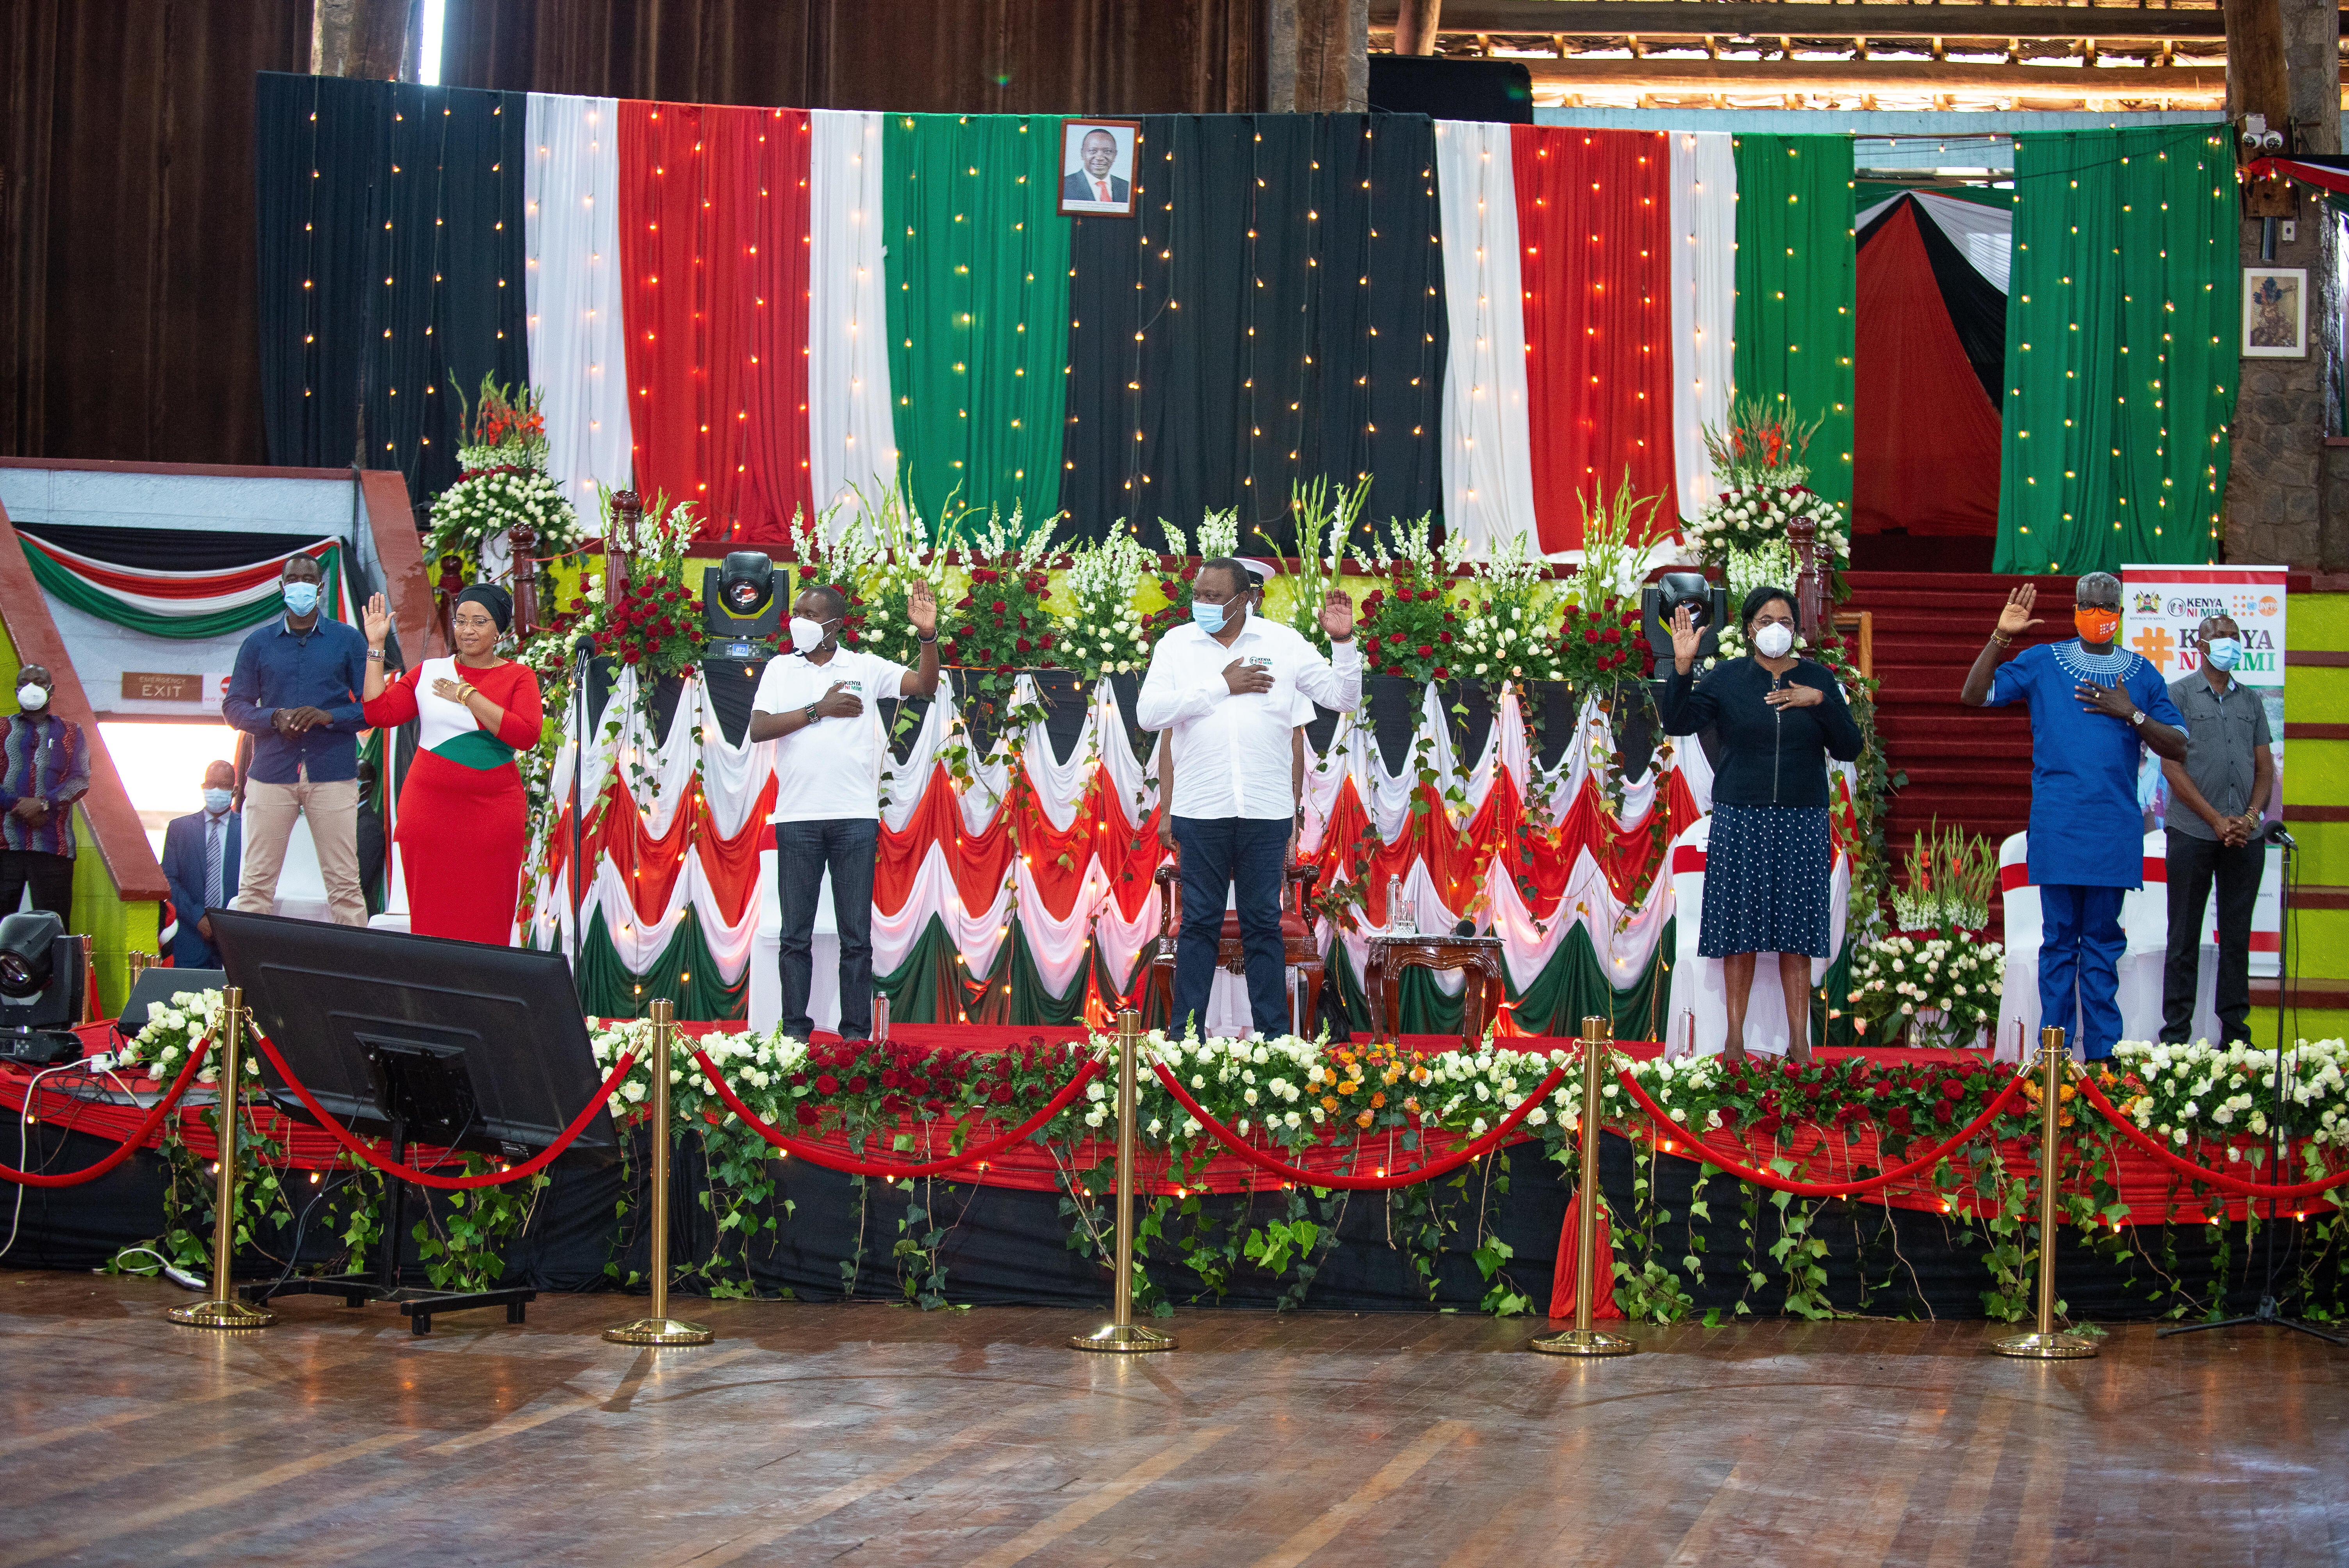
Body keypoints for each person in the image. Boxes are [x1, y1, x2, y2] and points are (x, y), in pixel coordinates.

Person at [1961, 575, 2187, 1060]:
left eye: (2109, 604)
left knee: (2104, 947)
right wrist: (2001, 636)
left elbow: (2179, 744)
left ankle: (2103, 1057)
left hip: (2113, 830)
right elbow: (1974, 695)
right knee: (2059, 943)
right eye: (2091, 603)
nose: (2100, 611)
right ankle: (2053, 1055)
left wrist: (2133, 714)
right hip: (2059, 824)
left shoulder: (2141, 673)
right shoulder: (2044, 661)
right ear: (2076, 607)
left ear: (2120, 610)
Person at [1137, 557, 1357, 1039]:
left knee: (1263, 926)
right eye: (1198, 594)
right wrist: (1221, 685)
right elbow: (1149, 713)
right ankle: (1184, 1041)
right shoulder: (1177, 644)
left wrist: (1342, 643)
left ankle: (1274, 1042)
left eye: (1214, 597)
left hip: (1265, 810)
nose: (1202, 604)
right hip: (1200, 809)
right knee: (1198, 925)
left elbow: (1343, 697)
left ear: (1245, 599)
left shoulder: (1283, 644)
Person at [1661, 586, 1863, 1064]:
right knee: (1740, 931)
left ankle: (1798, 1044)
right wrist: (1684, 667)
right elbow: (1678, 720)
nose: (1777, 628)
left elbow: (1850, 747)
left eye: (1787, 621)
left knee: (1797, 933)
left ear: (1796, 630)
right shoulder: (1729, 678)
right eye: (1767, 619)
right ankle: (1733, 1041)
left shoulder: (1818, 679)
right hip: (1741, 814)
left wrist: (1821, 701)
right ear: (1750, 627)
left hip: (1802, 816)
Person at [749, 580, 942, 1042]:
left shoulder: (863, 666)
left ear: (836, 625)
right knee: (795, 936)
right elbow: (759, 728)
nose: (799, 621)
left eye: (811, 615)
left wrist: (928, 637)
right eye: (796, 611)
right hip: (797, 818)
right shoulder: (779, 668)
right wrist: (820, 709)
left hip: (855, 818)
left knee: (856, 938)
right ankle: (795, 1032)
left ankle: (854, 1034)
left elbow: (924, 684)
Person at [359, 585, 544, 943]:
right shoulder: (429, 673)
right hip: (430, 813)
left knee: (489, 919)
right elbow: (378, 712)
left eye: (479, 622)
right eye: (460, 621)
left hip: (493, 814)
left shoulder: (520, 677)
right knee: (433, 921)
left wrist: (467, 695)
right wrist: (376, 647)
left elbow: (524, 735)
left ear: (498, 631)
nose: (467, 630)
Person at [223, 554, 369, 925]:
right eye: (294, 578)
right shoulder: (257, 644)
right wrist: (273, 717)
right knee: (255, 885)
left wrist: (329, 717)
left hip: (333, 773)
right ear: (282, 586)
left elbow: (373, 707)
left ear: (320, 588)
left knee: (344, 886)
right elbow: (234, 708)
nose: (301, 584)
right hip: (271, 773)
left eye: (309, 578)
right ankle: (247, 980)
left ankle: (356, 979)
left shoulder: (348, 640)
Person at [2159, 614, 2273, 1046]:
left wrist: (2247, 818)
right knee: (2183, 937)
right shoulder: (2179, 695)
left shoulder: (2251, 700)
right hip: (2192, 831)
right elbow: (2170, 765)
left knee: (2236, 940)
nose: (2230, 643)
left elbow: (2264, 768)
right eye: (2220, 636)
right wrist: (2215, 819)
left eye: (2234, 636)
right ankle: (2175, 1038)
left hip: (2244, 837)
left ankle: (2236, 1039)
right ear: (2201, 646)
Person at [0, 665, 90, 917]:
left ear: (51, 690)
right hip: (5, 845)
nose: (32, 687)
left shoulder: (72, 732)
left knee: (53, 926)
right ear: (17, 690)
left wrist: (43, 803)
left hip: (54, 846)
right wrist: (17, 805)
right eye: (25, 682)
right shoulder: (1, 729)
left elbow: (80, 779)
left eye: (39, 682)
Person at [160, 761, 241, 967]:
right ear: (203, 788)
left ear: (235, 790)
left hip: (234, 941)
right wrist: (199, 918)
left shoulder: (248, 830)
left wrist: (224, 924)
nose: (215, 791)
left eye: (223, 786)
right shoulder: (179, 829)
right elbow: (169, 880)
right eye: (211, 784)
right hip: (189, 940)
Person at [1062, 128, 1129, 206]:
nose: (1100, 158)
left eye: (1107, 151)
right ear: (1082, 154)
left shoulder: (1127, 188)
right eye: (1093, 151)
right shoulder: (1065, 185)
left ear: (1115, 155)